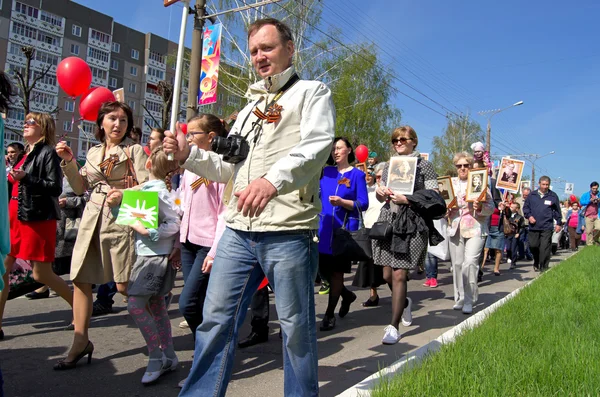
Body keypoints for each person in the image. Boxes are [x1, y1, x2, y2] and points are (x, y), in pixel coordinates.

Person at [163, 18, 334, 396]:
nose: (259, 56)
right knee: (215, 322)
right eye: (255, 50)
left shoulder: (311, 92)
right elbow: (229, 169)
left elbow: (317, 145)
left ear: (289, 49)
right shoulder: (248, 109)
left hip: (288, 230)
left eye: (268, 48)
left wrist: (272, 180)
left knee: (295, 330)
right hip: (239, 231)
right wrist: (189, 154)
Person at [54, 101, 149, 370]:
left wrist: (125, 194)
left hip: (123, 221)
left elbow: (152, 185)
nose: (117, 124)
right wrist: (70, 162)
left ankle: (159, 340)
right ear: (101, 123)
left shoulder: (133, 151)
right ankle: (80, 341)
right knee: (81, 279)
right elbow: (79, 186)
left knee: (124, 286)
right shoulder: (94, 152)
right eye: (112, 119)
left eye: (123, 120)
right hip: (92, 219)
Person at [0, 113, 74, 340]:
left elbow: (54, 187)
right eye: (25, 120)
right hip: (14, 218)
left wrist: (26, 178)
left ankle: (79, 306)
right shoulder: (25, 154)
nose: (25, 124)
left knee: (42, 274)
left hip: (36, 219)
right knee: (3, 269)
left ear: (43, 127)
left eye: (31, 122)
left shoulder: (47, 152)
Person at [372, 126, 439, 344]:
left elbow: (433, 195)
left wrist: (409, 200)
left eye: (403, 139)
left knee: (400, 273)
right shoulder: (388, 165)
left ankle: (393, 326)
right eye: (395, 140)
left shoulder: (424, 166)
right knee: (386, 276)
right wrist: (381, 192)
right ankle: (405, 303)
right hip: (389, 220)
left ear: (414, 142)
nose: (398, 143)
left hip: (412, 222)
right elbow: (383, 197)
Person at [176, 114, 228, 386]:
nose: (188, 138)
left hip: (208, 245)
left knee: (189, 303)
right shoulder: (189, 166)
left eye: (193, 133)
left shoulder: (222, 167)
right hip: (188, 242)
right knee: (200, 305)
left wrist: (214, 252)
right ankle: (205, 358)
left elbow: (224, 213)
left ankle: (207, 358)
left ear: (210, 137)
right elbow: (183, 203)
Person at [126, 146, 180, 384]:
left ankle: (156, 357)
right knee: (157, 306)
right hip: (148, 254)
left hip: (155, 257)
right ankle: (168, 355)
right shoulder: (149, 190)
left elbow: (175, 221)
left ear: (148, 164)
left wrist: (153, 232)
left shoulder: (159, 192)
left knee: (136, 305)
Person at [318, 137, 368, 331]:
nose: (335, 152)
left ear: (348, 150)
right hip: (322, 230)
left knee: (337, 273)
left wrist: (343, 202)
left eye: (339, 148)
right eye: (333, 149)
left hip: (342, 232)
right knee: (323, 273)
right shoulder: (326, 172)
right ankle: (346, 295)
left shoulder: (357, 175)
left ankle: (329, 315)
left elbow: (362, 203)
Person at [448, 152, 494, 314]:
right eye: (459, 166)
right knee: (458, 265)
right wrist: (445, 209)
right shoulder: (450, 184)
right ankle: (460, 297)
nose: (462, 168)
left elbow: (491, 207)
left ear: (471, 167)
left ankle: (469, 299)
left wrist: (480, 208)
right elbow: (442, 205)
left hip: (475, 227)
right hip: (455, 227)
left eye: (466, 165)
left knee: (470, 263)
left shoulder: (479, 183)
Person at [353, 162, 386, 306]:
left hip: (386, 233)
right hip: (369, 231)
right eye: (376, 176)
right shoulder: (369, 192)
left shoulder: (391, 193)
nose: (378, 179)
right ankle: (373, 296)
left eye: (381, 176)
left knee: (387, 269)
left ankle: (400, 299)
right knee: (370, 266)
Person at [523, 176, 562, 272]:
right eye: (543, 184)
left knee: (544, 247)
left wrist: (558, 223)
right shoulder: (532, 195)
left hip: (547, 226)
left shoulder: (553, 196)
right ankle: (536, 261)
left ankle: (543, 267)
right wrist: (529, 216)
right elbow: (526, 208)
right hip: (534, 226)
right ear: (539, 184)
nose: (545, 187)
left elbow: (557, 211)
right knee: (533, 246)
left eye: (547, 185)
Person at [481, 203, 506, 276]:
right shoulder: (488, 201)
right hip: (487, 227)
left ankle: (496, 268)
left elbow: (508, 215)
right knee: (485, 249)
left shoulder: (501, 202)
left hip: (498, 228)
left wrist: (504, 209)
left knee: (498, 249)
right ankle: (481, 268)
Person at [514, 187, 533, 261]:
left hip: (529, 223)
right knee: (520, 240)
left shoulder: (532, 200)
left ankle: (528, 254)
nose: (525, 196)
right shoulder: (517, 200)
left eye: (527, 195)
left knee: (529, 240)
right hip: (520, 223)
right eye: (524, 195)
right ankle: (521, 254)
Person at [504, 202, 524, 269]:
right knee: (508, 248)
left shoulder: (519, 217)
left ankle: (513, 262)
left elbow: (522, 226)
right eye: (510, 207)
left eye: (512, 207)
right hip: (508, 234)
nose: (511, 208)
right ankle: (508, 256)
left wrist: (518, 233)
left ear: (517, 209)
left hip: (515, 234)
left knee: (514, 249)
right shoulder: (508, 215)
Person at [580, 181, 600, 246]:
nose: (594, 190)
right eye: (593, 188)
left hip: (597, 215)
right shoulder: (586, 194)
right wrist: (589, 200)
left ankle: (595, 239)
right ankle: (590, 244)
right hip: (588, 215)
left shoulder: (599, 194)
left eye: (596, 188)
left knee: (599, 228)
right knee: (589, 231)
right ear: (591, 188)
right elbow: (581, 202)